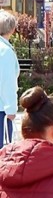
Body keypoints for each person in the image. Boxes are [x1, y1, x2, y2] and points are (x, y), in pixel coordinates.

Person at [0, 10, 19, 148]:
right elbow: (7, 83)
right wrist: (11, 109)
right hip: (1, 109)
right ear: (12, 29)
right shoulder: (5, 51)